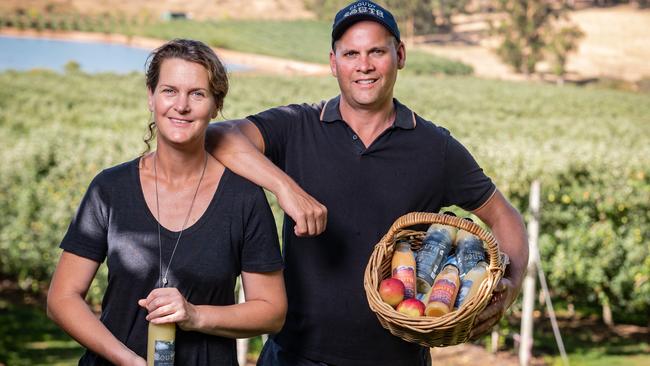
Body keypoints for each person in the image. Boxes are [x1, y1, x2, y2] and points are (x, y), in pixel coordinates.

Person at [207, 1, 529, 365]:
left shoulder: (435, 148)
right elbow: (220, 136)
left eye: (377, 51)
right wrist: (285, 188)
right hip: (294, 356)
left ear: (400, 55)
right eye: (351, 53)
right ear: (333, 62)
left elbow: (504, 217)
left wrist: (509, 288)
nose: (364, 65)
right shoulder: (296, 126)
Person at [47, 39, 287, 366]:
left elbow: (271, 312)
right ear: (151, 96)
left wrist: (195, 315)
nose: (182, 105)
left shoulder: (244, 198)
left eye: (197, 94)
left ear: (216, 105)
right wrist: (128, 361)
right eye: (169, 90)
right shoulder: (110, 188)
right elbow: (62, 298)